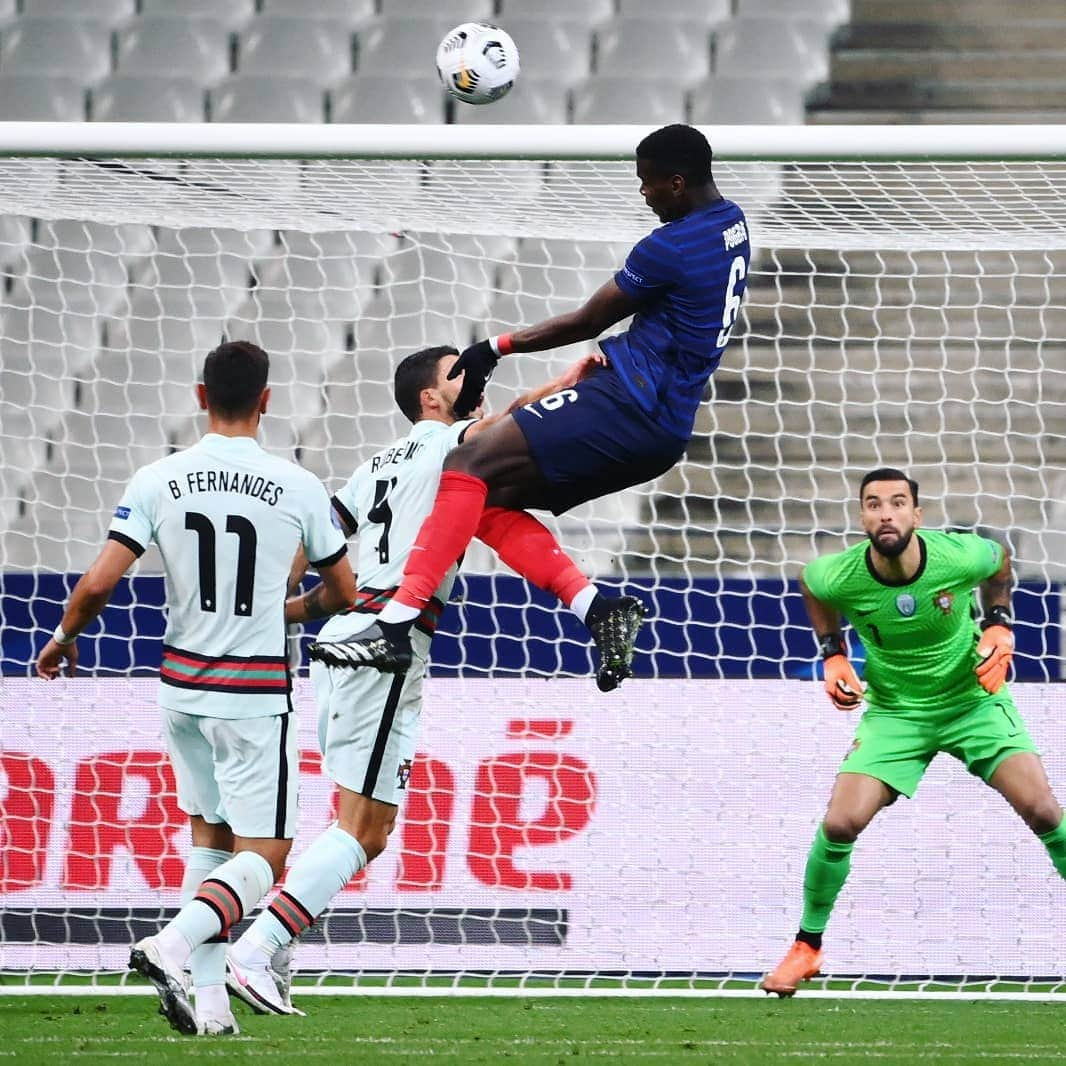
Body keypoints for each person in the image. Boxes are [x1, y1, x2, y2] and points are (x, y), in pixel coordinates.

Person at [225, 345, 621, 1013]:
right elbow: (520, 418)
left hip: (344, 640)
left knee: (349, 818)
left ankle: (271, 949)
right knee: (367, 830)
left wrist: (276, 610)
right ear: (430, 400)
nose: (471, 379)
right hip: (385, 647)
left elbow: (319, 544)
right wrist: (568, 379)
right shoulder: (452, 447)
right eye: (454, 372)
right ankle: (257, 948)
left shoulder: (375, 466)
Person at [312, 123, 750, 682]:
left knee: (464, 464)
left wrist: (498, 345)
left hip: (628, 404)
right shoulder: (733, 223)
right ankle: (597, 608)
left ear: (677, 182)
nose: (644, 195)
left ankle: (395, 625)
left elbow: (589, 320)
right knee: (481, 495)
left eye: (648, 184)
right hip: (661, 427)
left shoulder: (670, 246)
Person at [37, 341, 356, 1035]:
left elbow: (96, 585)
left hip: (181, 688)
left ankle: (211, 1010)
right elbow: (342, 591)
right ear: (267, 401)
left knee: (210, 840)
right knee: (265, 860)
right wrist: (286, 609)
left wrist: (63, 639)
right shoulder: (297, 485)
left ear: (199, 395)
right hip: (252, 694)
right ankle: (173, 945)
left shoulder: (158, 478)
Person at [762, 467, 1066, 996]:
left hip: (973, 702)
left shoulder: (955, 555)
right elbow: (811, 584)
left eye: (898, 503)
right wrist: (832, 654)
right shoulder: (842, 574)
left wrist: (998, 621)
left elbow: (1000, 564)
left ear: (916, 515)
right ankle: (806, 948)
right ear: (862, 517)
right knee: (840, 823)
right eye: (874, 504)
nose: (886, 514)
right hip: (896, 714)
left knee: (1043, 811)